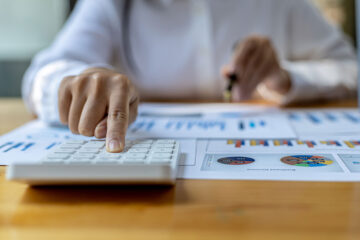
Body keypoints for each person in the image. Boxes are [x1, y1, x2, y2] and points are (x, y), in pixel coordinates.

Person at [23, 0, 357, 152]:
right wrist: (76, 82)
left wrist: (286, 78)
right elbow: (42, 75)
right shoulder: (110, 5)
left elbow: (349, 67)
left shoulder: (285, 5)